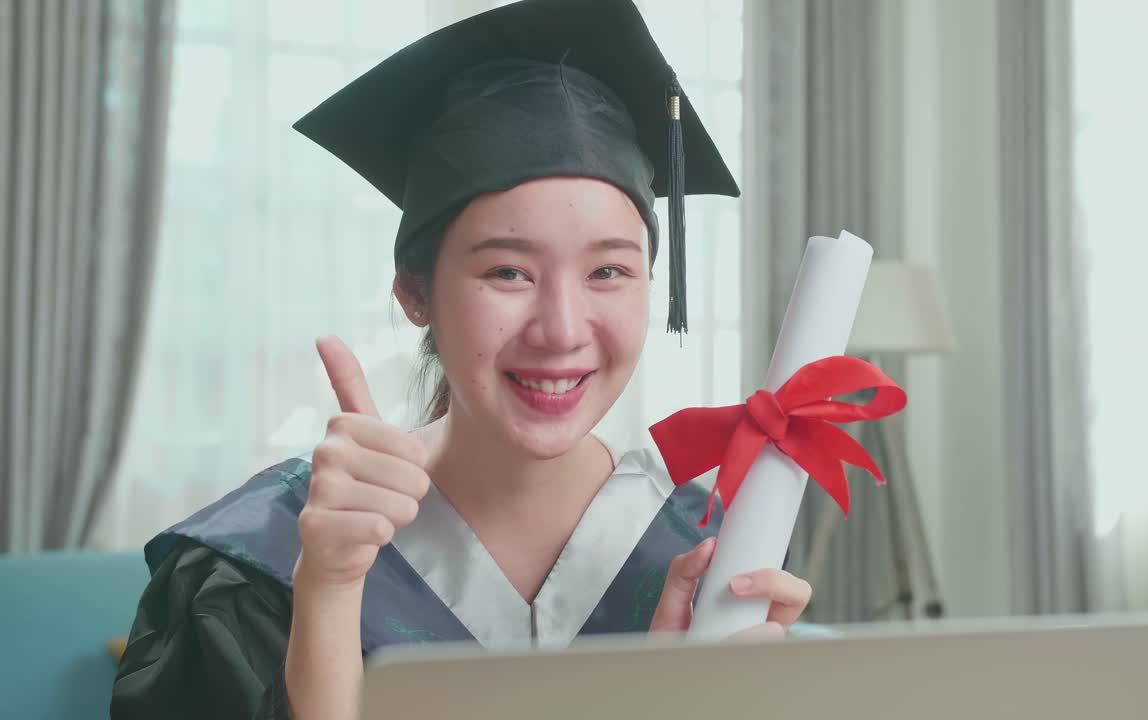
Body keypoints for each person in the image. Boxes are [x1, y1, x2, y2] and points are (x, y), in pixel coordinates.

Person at [110, 1, 812, 718]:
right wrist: (326, 592)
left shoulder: (710, 559)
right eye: (508, 272)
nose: (562, 329)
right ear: (416, 293)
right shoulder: (264, 565)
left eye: (608, 272)